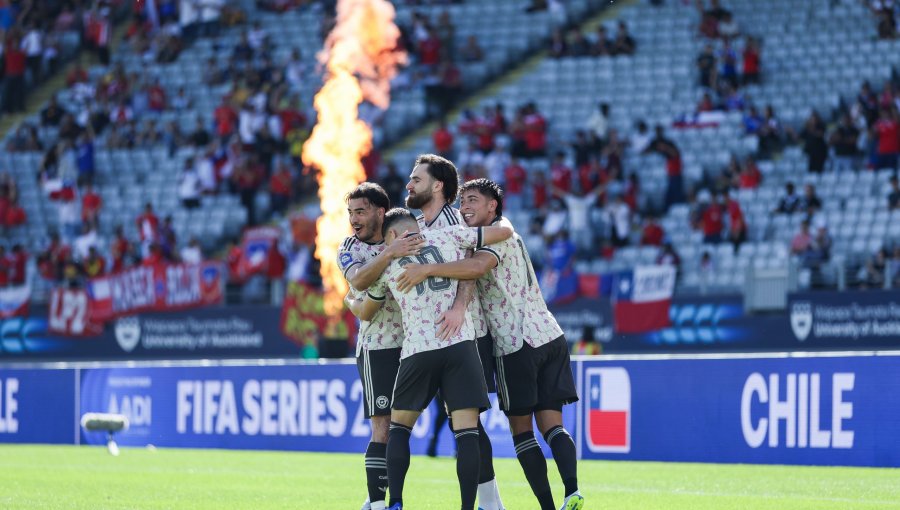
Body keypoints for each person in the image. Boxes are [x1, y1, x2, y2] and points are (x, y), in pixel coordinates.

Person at [395, 179, 582, 510]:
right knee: (553, 425)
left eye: (472, 200)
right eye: (462, 200)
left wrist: (428, 270)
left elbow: (476, 266)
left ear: (492, 206)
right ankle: (573, 491)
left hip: (516, 343)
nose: (464, 206)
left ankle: (547, 507)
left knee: (522, 432)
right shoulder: (509, 230)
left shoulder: (492, 238)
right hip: (550, 334)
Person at [346, 207, 514, 510]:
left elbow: (366, 310)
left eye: (387, 238)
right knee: (467, 432)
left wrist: (350, 301)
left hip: (418, 350)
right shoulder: (447, 235)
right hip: (459, 345)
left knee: (398, 429)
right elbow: (503, 233)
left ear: (394, 235)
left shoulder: (388, 262)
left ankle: (395, 502)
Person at [404, 154, 505, 510]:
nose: (409, 184)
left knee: (468, 423)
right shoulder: (415, 225)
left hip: (466, 332)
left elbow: (473, 262)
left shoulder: (457, 220)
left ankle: (489, 502)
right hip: (429, 336)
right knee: (461, 423)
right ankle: (491, 502)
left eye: (416, 179)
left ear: (437, 185)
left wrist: (460, 306)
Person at [337, 183, 424, 510]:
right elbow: (358, 281)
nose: (354, 219)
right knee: (384, 427)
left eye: (360, 211)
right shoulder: (351, 248)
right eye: (350, 213)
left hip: (420, 343)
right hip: (379, 347)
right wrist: (390, 252)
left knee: (455, 418)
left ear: (379, 211)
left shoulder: (406, 232)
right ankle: (377, 502)